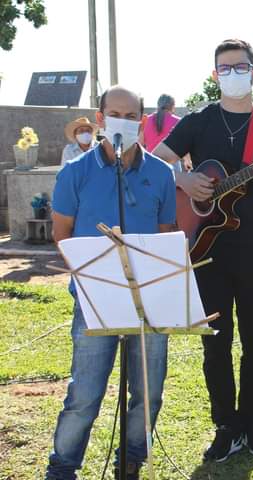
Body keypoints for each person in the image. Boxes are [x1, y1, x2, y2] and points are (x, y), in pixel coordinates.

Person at [152, 38, 253, 462]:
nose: (232, 74)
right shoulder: (198, 121)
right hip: (206, 249)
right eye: (225, 68)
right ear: (215, 74)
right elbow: (154, 162)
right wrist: (183, 180)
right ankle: (225, 425)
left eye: (240, 67)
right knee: (215, 342)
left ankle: (252, 421)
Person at [46, 86, 176, 480]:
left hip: (148, 299)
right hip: (94, 298)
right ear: (100, 119)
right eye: (115, 114)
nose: (123, 121)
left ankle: (132, 458)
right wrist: (92, 276)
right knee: (84, 393)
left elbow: (165, 234)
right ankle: (62, 467)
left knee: (149, 391)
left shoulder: (161, 173)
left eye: (131, 115)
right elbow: (62, 234)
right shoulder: (74, 172)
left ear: (142, 120)